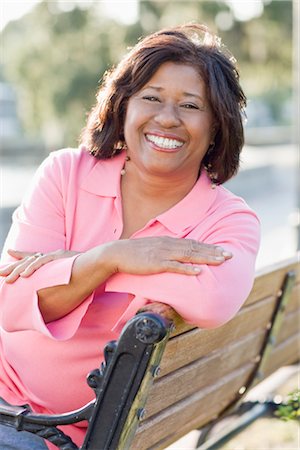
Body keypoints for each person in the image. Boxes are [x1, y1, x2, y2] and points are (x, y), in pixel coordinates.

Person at [0, 23, 260, 450]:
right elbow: (11, 302)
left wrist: (75, 266)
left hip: (69, 432)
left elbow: (212, 301)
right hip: (10, 403)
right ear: (123, 107)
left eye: (190, 105)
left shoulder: (227, 219)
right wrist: (112, 256)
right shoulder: (65, 173)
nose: (167, 118)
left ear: (217, 125)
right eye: (151, 98)